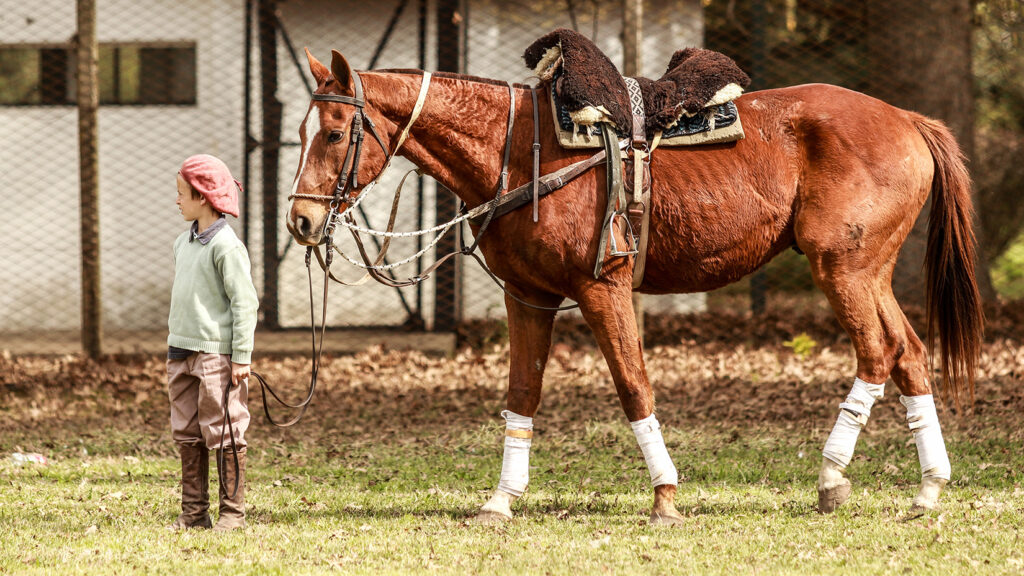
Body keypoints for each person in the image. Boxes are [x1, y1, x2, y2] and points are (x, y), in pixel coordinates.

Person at [166, 154, 258, 532]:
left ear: (202, 196)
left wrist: (241, 357)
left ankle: (232, 515)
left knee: (224, 431)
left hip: (216, 356)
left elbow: (244, 303)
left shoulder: (226, 247)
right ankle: (194, 514)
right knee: (187, 432)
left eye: (181, 193)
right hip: (180, 352)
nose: (176, 200)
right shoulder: (182, 243)